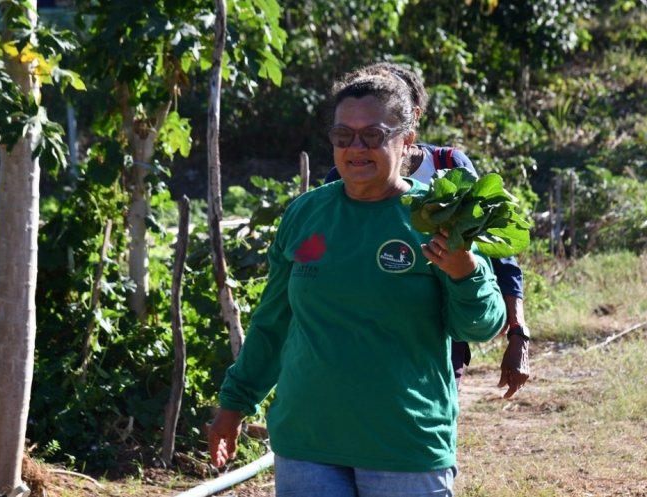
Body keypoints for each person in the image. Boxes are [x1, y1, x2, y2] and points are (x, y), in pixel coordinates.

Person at [209, 68, 506, 496]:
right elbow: (273, 323)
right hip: (307, 440)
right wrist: (234, 404)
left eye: (373, 135)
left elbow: (479, 326)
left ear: (406, 139)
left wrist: (466, 271)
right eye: (343, 135)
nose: (356, 148)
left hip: (404, 445)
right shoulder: (305, 215)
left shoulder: (435, 219)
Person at [324, 62, 530, 398]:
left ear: (411, 119)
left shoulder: (448, 167)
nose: (358, 144)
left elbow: (498, 250)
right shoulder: (342, 177)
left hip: (440, 332)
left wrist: (518, 332)